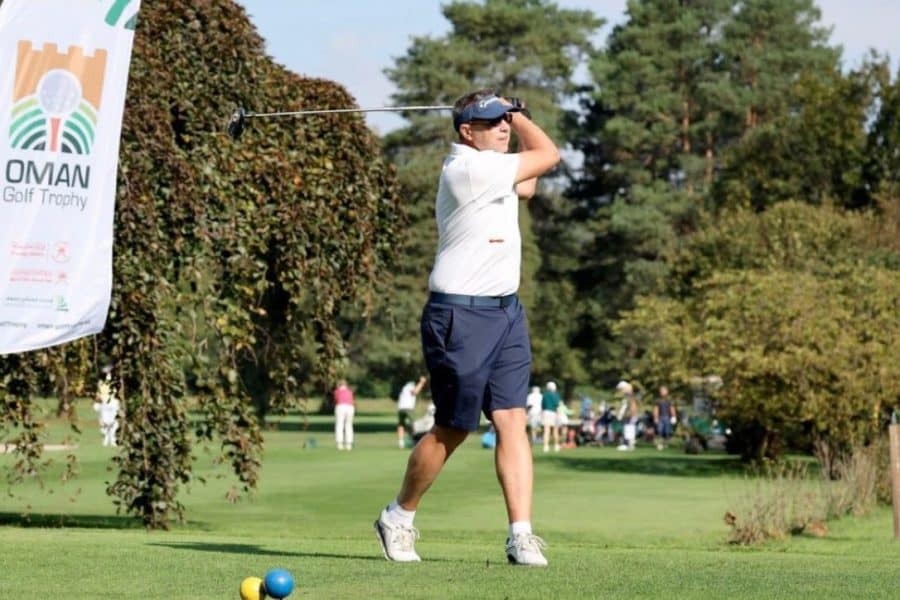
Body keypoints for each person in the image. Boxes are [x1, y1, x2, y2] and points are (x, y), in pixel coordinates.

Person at [374, 89, 560, 567]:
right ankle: (398, 515)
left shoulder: (495, 167)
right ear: (466, 131)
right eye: (493, 121)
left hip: (506, 313)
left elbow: (529, 184)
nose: (504, 127)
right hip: (460, 316)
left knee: (512, 419)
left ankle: (521, 535)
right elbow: (548, 155)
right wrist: (521, 116)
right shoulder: (468, 169)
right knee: (454, 428)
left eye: (506, 121)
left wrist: (512, 120)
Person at [397, 375, 427, 448]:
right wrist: (421, 382)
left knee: (401, 424)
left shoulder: (405, 386)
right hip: (408, 408)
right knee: (415, 424)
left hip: (401, 408)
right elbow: (415, 392)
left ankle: (401, 442)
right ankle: (415, 441)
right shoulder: (410, 385)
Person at [93, 372, 120, 447]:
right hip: (105, 403)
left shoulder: (114, 382)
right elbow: (98, 395)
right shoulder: (102, 383)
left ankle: (112, 440)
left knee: (112, 421)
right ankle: (107, 439)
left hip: (111, 402)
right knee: (106, 422)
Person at [615, 380, 639, 451]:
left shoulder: (630, 396)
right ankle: (627, 444)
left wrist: (630, 414)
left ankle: (629, 445)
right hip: (628, 415)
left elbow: (632, 406)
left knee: (629, 429)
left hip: (631, 416)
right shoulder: (627, 396)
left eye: (621, 389)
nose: (621, 391)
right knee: (627, 429)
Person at [333, 379, 355, 450]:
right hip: (350, 407)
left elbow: (336, 399)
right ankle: (349, 444)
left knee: (339, 425)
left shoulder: (337, 391)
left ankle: (340, 444)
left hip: (341, 406)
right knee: (349, 425)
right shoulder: (350, 391)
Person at [653, 386, 677, 450]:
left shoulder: (669, 400)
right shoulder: (658, 400)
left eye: (663, 391)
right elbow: (656, 409)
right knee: (659, 430)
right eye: (661, 391)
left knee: (667, 431)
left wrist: (674, 416)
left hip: (667, 417)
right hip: (660, 417)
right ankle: (660, 443)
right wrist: (655, 417)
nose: (662, 392)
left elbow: (672, 408)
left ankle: (665, 443)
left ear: (667, 391)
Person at [541, 381, 562, 453]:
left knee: (546, 430)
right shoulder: (556, 395)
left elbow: (543, 406)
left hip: (546, 412)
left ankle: (545, 446)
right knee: (555, 430)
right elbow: (558, 405)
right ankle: (556, 445)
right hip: (554, 413)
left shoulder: (545, 395)